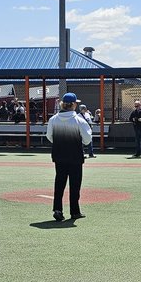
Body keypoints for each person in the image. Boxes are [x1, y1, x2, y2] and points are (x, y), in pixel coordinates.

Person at [45, 92, 91, 221]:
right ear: (74, 105)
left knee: (59, 183)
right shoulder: (79, 120)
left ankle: (57, 209)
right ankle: (75, 211)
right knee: (75, 185)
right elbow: (87, 140)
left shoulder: (53, 119)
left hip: (59, 156)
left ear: (62, 104)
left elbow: (49, 137)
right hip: (75, 156)